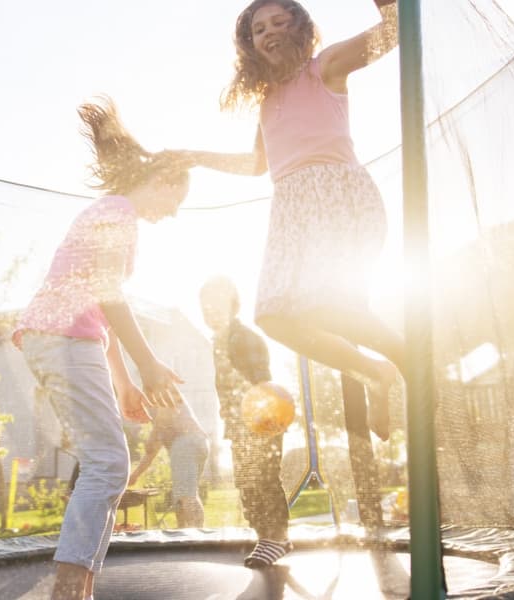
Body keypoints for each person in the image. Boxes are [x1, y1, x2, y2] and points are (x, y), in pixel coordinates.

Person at [173, 0, 401, 440]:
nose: (270, 31)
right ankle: (375, 370)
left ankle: (405, 355)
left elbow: (392, 32)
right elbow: (258, 164)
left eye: (280, 21)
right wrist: (196, 157)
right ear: (250, 45)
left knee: (327, 304)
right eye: (259, 29)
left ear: (302, 29)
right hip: (291, 209)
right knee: (275, 315)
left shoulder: (326, 67)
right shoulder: (266, 99)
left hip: (337, 196)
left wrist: (387, 5)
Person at [14, 97, 191, 600]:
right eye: (175, 200)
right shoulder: (117, 212)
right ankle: (69, 591)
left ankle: (79, 588)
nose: (172, 213)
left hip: (67, 337)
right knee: (108, 462)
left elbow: (98, 308)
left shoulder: (111, 213)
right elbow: (111, 294)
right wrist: (149, 363)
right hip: (62, 337)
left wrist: (125, 382)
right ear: (163, 181)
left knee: (106, 460)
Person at [199, 275, 291, 568]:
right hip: (241, 426)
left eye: (216, 305)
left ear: (232, 306)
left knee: (263, 479)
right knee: (247, 481)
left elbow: (262, 382)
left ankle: (275, 538)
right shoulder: (219, 341)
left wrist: (264, 421)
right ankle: (267, 536)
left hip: (262, 421)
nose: (210, 312)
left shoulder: (244, 339)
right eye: (205, 307)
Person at [128, 403, 210, 528]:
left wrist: (153, 434)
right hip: (198, 442)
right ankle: (183, 535)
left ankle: (198, 537)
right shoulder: (156, 401)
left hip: (184, 443)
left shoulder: (157, 391)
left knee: (186, 495)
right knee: (181, 497)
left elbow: (163, 415)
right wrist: (135, 475)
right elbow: (151, 452)